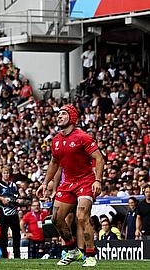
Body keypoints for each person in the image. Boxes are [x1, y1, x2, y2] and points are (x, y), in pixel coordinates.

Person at [37, 104, 104, 267]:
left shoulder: (83, 137)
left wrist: (98, 180)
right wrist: (45, 183)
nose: (59, 116)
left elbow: (99, 158)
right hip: (68, 183)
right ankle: (72, 250)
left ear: (72, 118)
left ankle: (90, 255)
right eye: (58, 114)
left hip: (86, 181)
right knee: (56, 219)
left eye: (63, 114)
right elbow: (54, 162)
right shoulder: (56, 141)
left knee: (82, 217)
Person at [0, 166, 21, 259]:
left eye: (7, 173)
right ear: (2, 174)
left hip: (14, 212)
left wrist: (18, 201)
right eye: (4, 173)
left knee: (16, 234)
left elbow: (17, 196)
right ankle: (5, 254)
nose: (6, 175)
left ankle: (17, 255)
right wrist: (1, 198)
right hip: (4, 212)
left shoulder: (13, 185)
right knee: (4, 234)